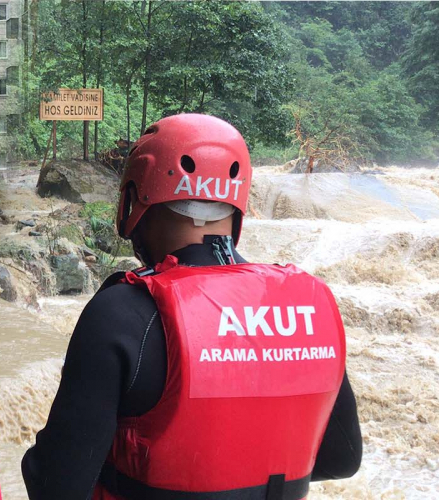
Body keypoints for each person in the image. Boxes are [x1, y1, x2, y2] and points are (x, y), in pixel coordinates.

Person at [22, 114, 362, 499]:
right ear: (236, 206)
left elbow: (57, 487)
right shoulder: (310, 305)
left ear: (135, 198)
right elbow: (342, 460)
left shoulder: (122, 313)